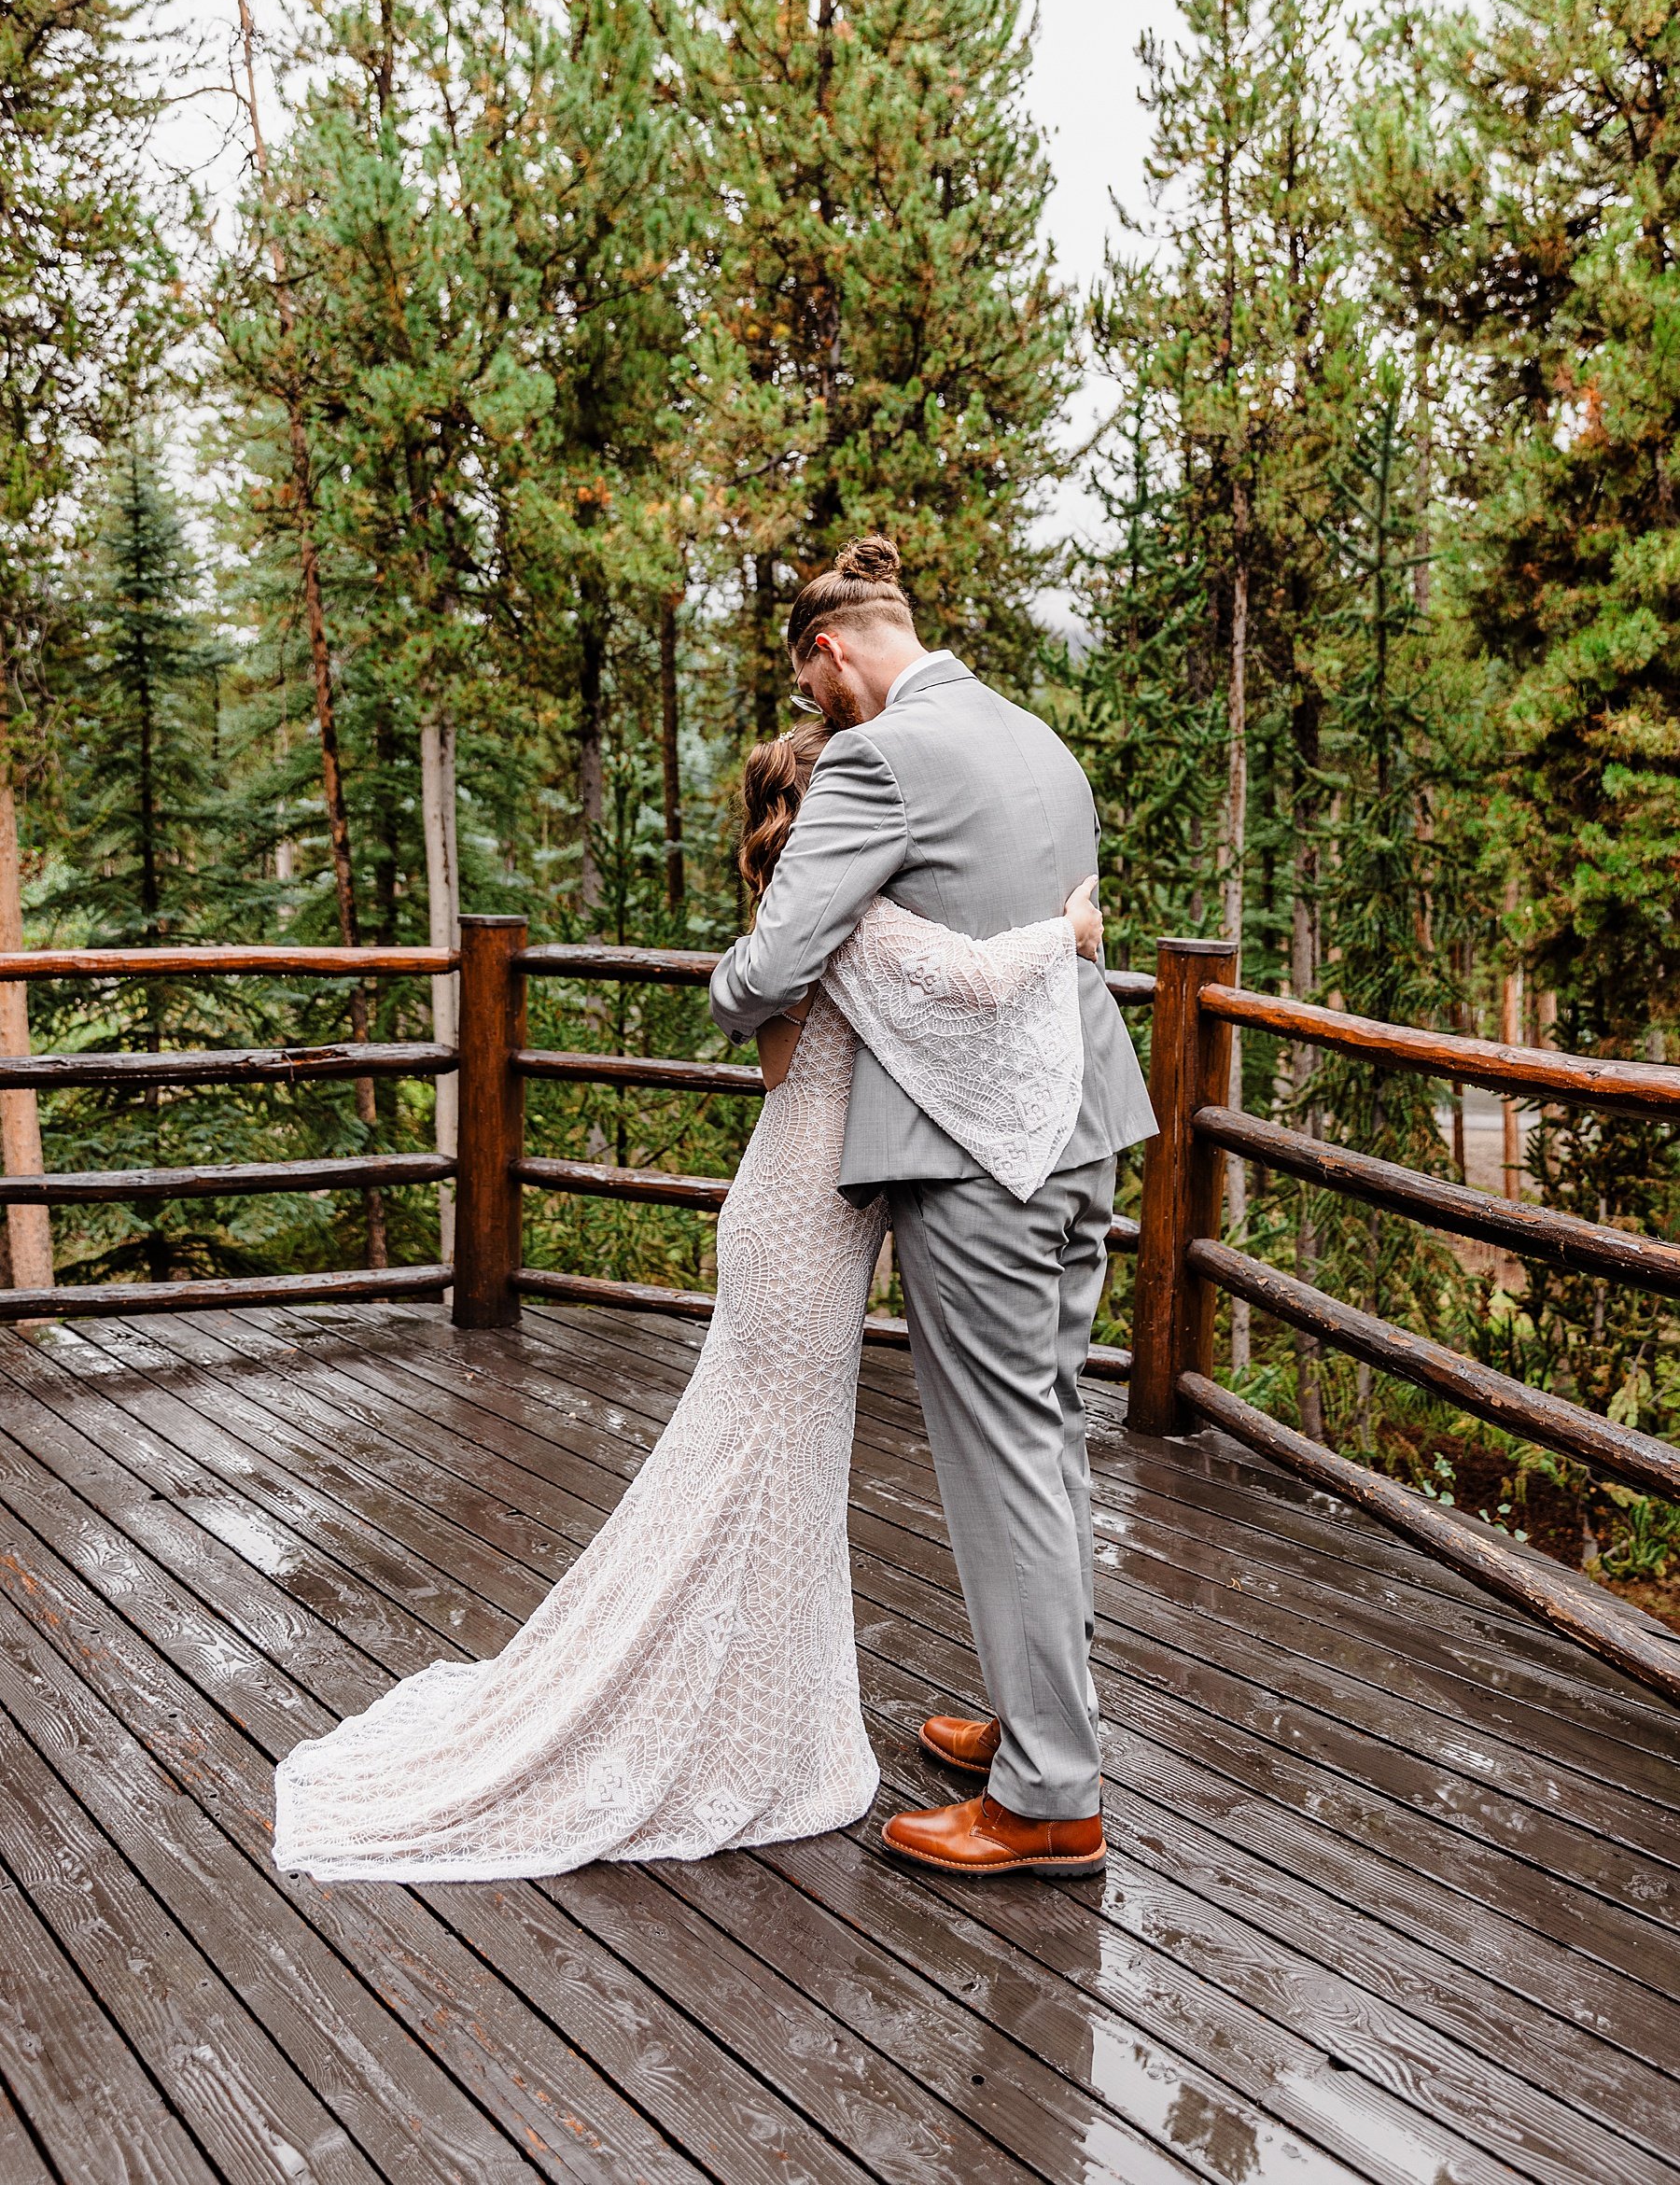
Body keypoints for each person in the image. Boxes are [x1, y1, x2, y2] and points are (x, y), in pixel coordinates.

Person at [271, 721, 1105, 1883]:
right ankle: (725, 1718)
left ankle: (761, 1702)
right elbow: (968, 980)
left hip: (794, 1204)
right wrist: (1063, 929)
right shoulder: (850, 918)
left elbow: (794, 1061)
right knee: (760, 1465)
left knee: (774, 1467)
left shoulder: (798, 921)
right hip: (806, 1226)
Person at [709, 533, 1155, 1879]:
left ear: (834, 651)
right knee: (1052, 1429)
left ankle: (1049, 1795)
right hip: (1086, 1128)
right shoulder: (1040, 739)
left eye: (810, 689)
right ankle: (1039, 1720)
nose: (814, 718)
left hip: (979, 1158)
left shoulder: (876, 756)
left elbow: (773, 961)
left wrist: (733, 983)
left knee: (1002, 1449)